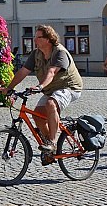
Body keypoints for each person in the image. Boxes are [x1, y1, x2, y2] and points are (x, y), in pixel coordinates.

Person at [7, 25, 83, 164]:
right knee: (37, 114)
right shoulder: (36, 54)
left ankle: (53, 142)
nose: (34, 39)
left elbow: (52, 72)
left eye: (38, 37)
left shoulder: (60, 52)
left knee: (51, 103)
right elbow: (23, 71)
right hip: (50, 89)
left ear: (48, 39)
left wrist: (40, 86)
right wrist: (8, 88)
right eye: (35, 36)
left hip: (69, 87)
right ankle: (49, 148)